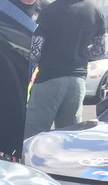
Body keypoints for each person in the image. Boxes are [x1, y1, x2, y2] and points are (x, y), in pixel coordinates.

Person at [23, 0, 106, 138]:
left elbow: (35, 51)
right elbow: (100, 50)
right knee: (69, 135)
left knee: (33, 134)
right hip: (77, 80)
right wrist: (81, 55)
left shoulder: (50, 10)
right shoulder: (95, 11)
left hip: (49, 77)